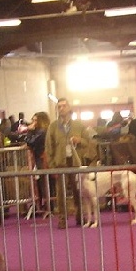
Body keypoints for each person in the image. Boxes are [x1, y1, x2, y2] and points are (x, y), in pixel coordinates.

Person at [45, 97, 95, 228]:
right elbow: (49, 148)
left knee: (78, 191)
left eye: (64, 106)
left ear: (69, 108)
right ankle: (62, 218)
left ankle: (80, 216)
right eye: (59, 107)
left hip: (75, 164)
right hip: (60, 165)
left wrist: (80, 140)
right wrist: (52, 166)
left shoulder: (79, 125)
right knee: (60, 193)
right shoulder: (53, 127)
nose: (61, 108)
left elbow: (88, 142)